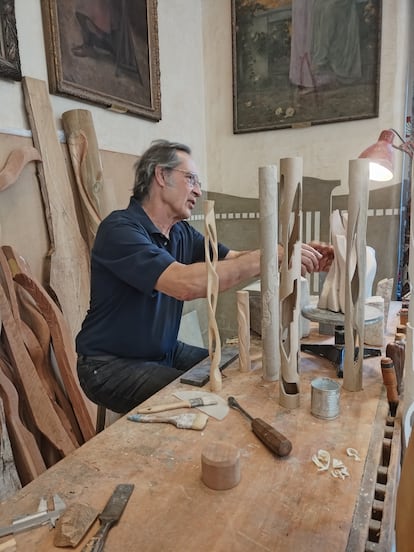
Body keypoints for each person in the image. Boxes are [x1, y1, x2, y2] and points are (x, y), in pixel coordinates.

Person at [76, 140, 333, 414]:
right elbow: (183, 283)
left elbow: (233, 259)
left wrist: (293, 254)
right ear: (161, 176)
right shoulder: (119, 230)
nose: (198, 190)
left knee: (231, 370)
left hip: (163, 352)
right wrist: (274, 255)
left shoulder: (180, 232)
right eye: (191, 179)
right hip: (108, 365)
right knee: (204, 403)